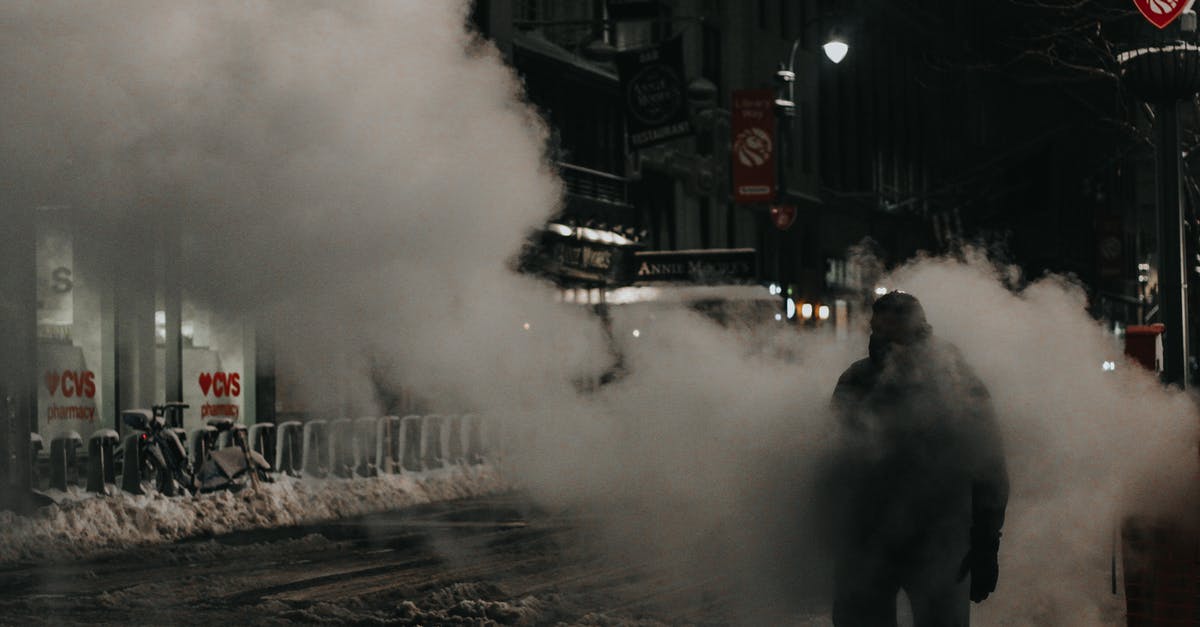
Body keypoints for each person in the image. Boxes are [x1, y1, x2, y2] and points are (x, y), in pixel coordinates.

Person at [828, 291, 1008, 626]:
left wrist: (986, 543)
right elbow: (834, 462)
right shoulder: (856, 382)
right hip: (872, 541)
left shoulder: (957, 383)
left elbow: (988, 465)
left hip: (935, 540)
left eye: (894, 334)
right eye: (881, 333)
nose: (887, 343)